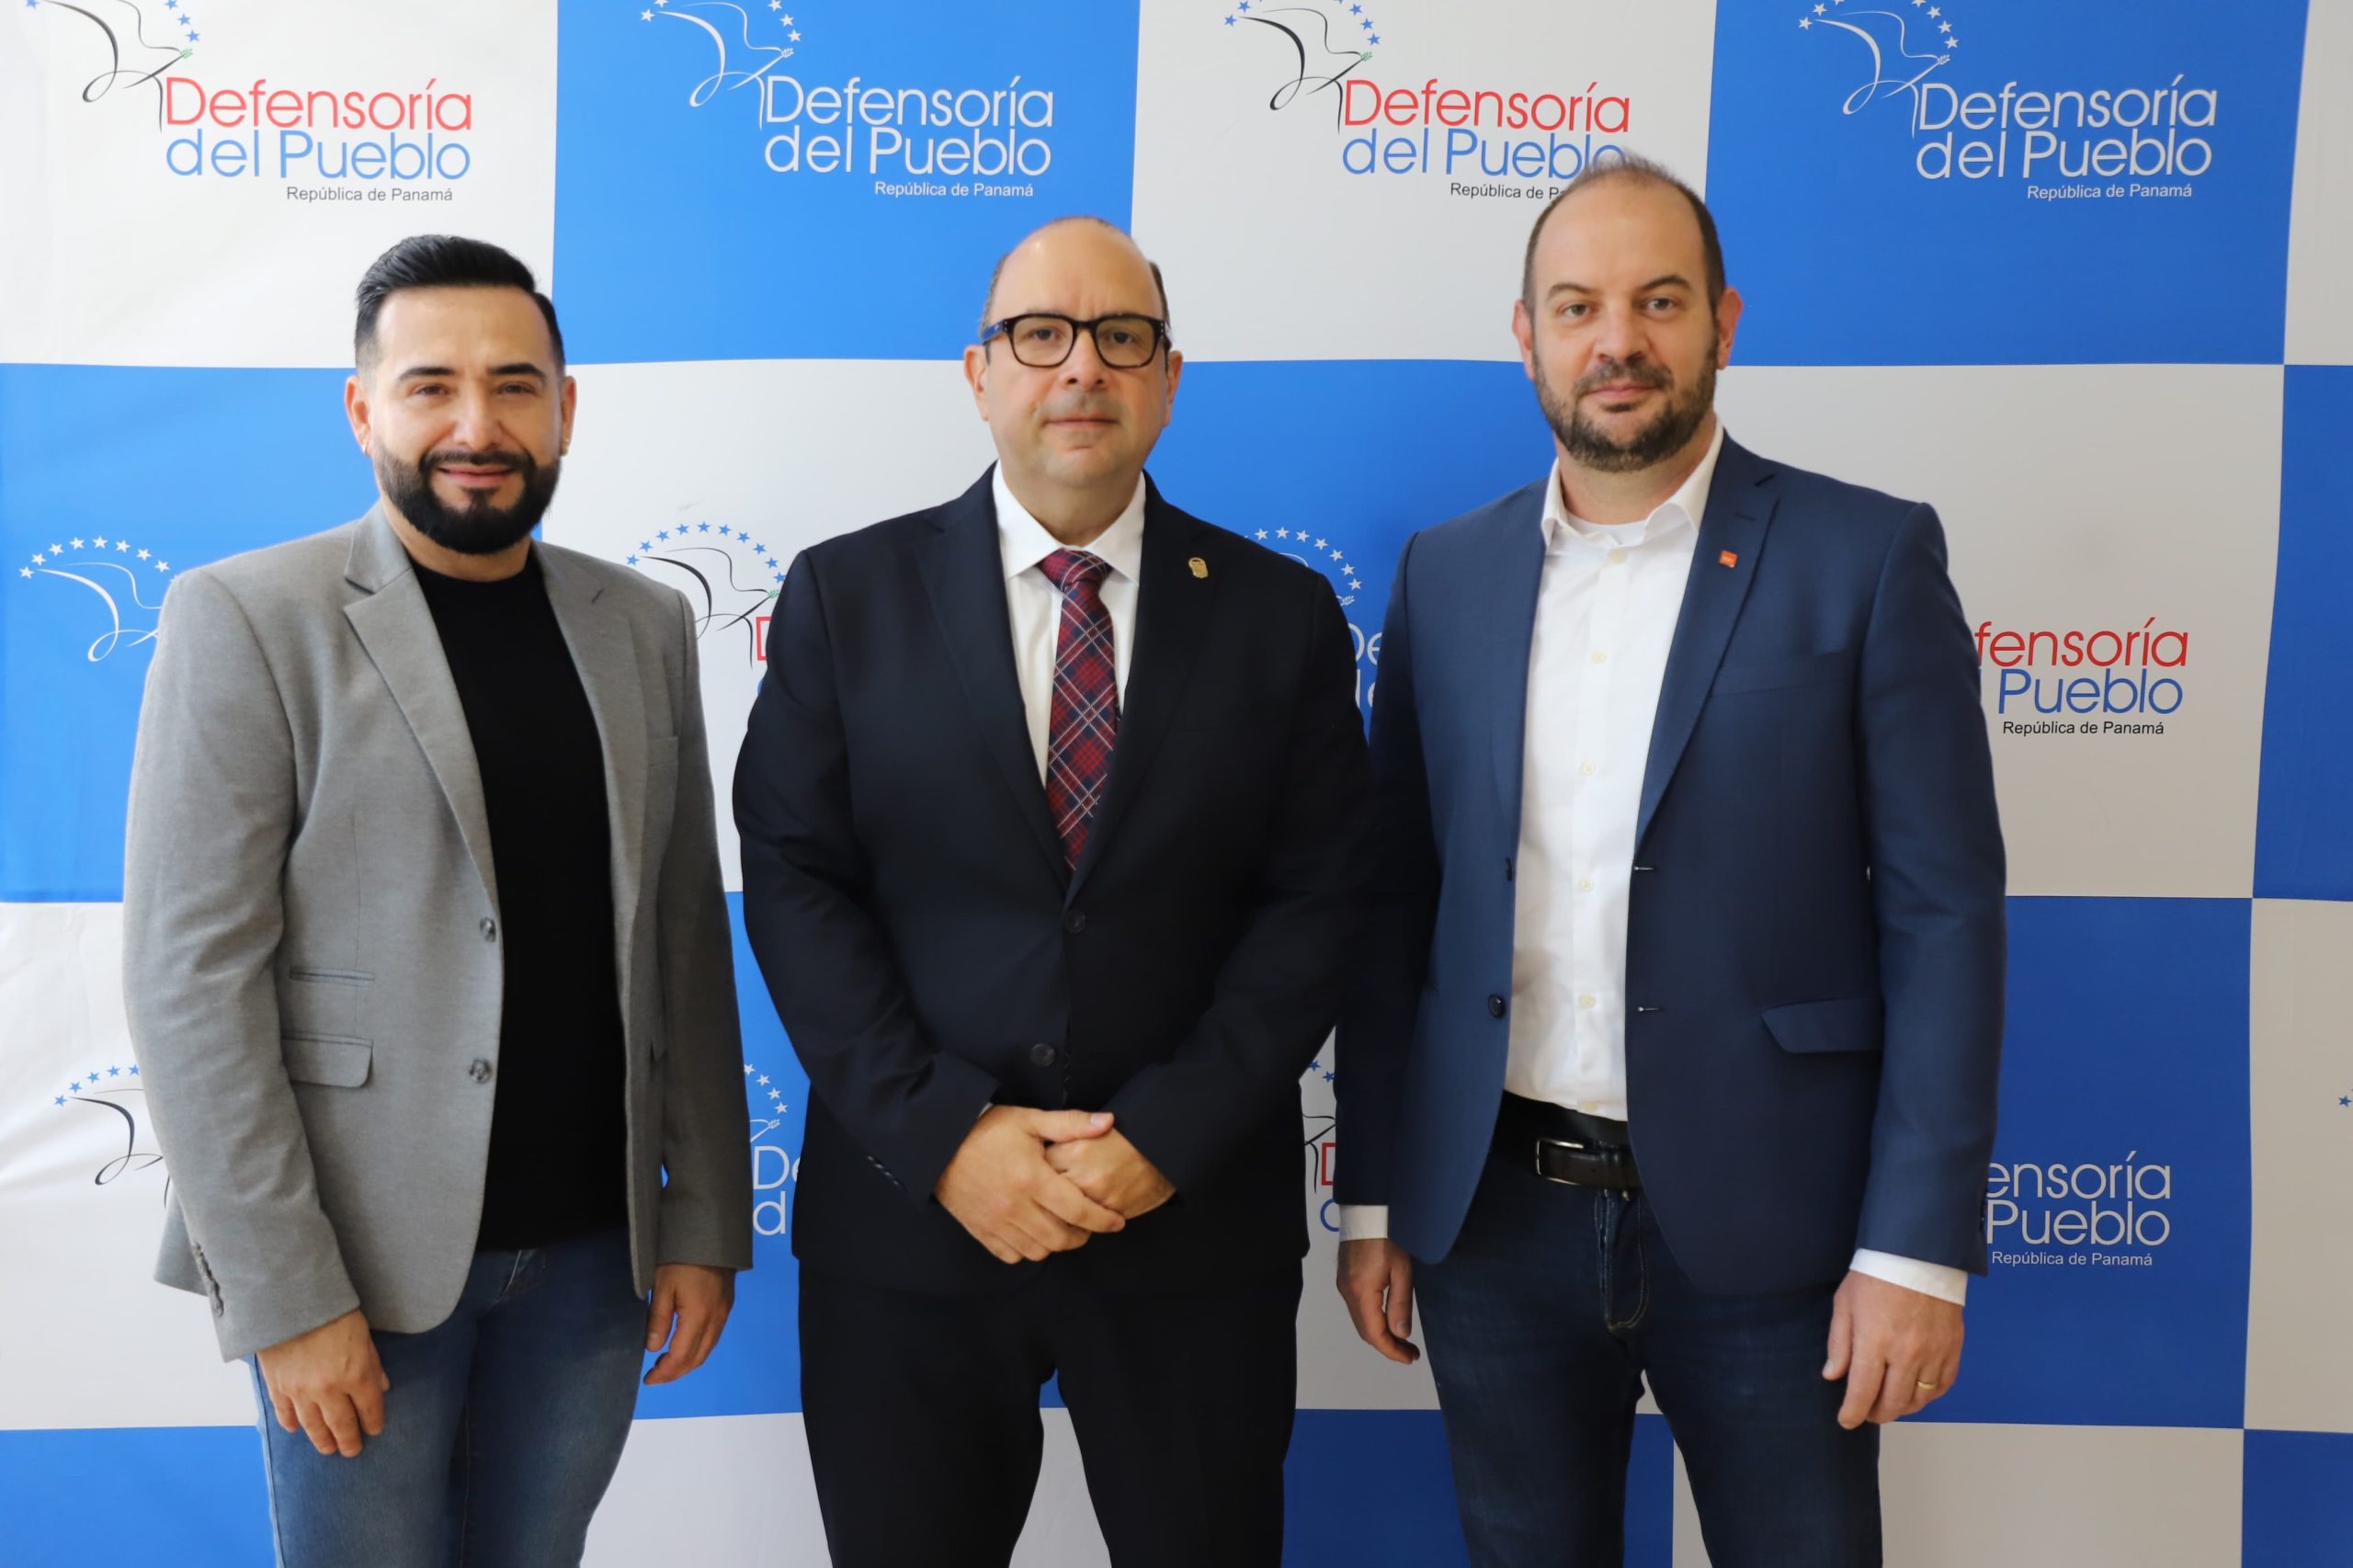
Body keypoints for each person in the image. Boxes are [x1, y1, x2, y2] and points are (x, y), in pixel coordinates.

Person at [1334, 159, 2006, 1568]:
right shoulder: (1445, 576)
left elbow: (1945, 919)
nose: (1617, 341)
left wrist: (1915, 1248)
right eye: (1576, 307)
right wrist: (1380, 1195)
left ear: (1722, 322)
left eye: (1657, 302)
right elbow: (1397, 908)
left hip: (1779, 1234)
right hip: (1494, 1224)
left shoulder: (1867, 557)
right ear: (1526, 336)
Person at [735, 216, 1370, 1568]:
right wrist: (947, 1136)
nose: (1081, 366)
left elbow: (1317, 906)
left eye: (1120, 336)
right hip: (912, 1230)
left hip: (1190, 1232)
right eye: (1041, 335)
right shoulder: (847, 598)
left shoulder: (1281, 616)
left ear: (1169, 379)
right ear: (980, 373)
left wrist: (1164, 1137)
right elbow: (794, 882)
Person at [121, 234, 751, 1568]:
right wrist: (287, 1298)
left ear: (566, 408)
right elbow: (191, 984)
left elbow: (684, 939)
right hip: (356, 1271)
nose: (478, 426)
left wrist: (703, 1220)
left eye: (516, 386)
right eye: (432, 387)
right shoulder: (248, 617)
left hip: (594, 1266)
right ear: (365, 411)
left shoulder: (642, 624)